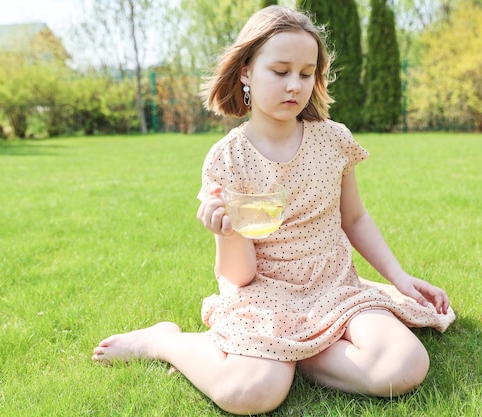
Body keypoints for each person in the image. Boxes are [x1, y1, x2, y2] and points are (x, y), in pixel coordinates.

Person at [92, 5, 455, 415]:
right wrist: (226, 233)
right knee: (249, 394)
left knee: (404, 366)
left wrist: (400, 277)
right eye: (280, 71)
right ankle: (162, 340)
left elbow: (355, 219)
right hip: (263, 297)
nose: (294, 86)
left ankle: (292, 353)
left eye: (306, 73)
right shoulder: (227, 159)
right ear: (246, 70)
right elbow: (240, 275)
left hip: (334, 288)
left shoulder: (334, 140)